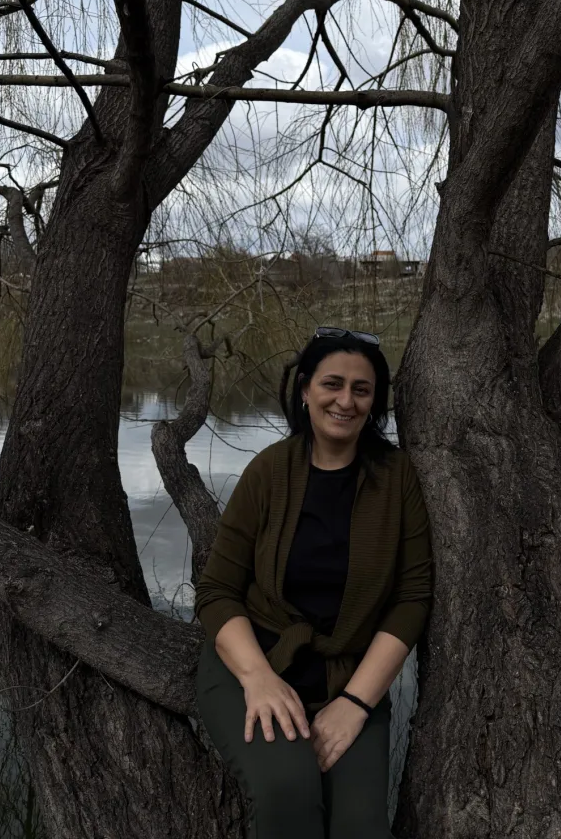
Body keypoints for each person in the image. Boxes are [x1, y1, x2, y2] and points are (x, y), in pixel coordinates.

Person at [194, 326, 433, 839]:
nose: (345, 401)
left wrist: (356, 704)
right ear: (305, 390)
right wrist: (258, 678)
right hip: (252, 663)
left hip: (349, 676)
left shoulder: (398, 479)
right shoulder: (268, 471)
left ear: (375, 402)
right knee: (289, 792)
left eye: (361, 390)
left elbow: (412, 599)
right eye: (332, 384)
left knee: (360, 827)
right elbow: (216, 592)